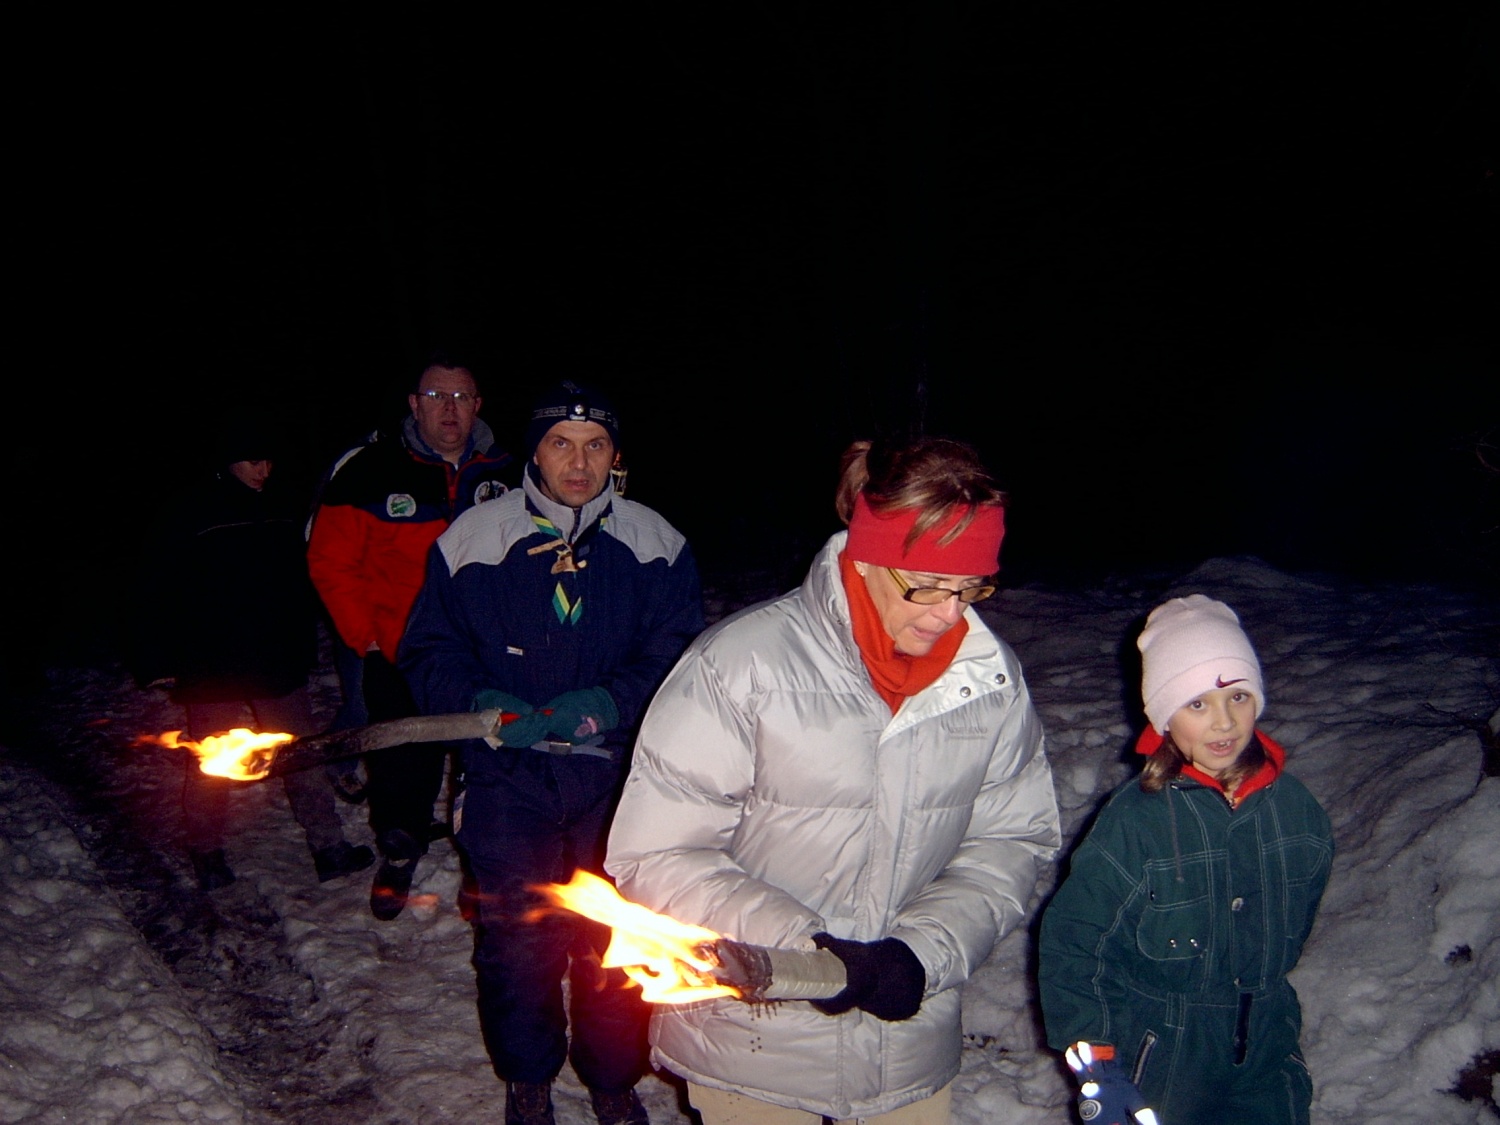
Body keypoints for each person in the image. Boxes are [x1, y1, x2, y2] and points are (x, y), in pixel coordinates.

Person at [604, 436, 1062, 1125]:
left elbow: (1013, 840)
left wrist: (921, 953)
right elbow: (657, 853)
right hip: (754, 1037)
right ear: (865, 554)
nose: (951, 613)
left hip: (905, 1042)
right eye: (929, 585)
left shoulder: (987, 682)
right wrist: (813, 954)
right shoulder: (741, 666)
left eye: (971, 587)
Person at [399, 379, 704, 1125]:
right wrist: (479, 703)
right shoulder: (472, 538)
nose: (579, 462)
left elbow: (677, 653)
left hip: (616, 778)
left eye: (595, 445)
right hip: (507, 772)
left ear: (615, 454)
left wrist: (609, 702)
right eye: (562, 444)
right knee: (517, 939)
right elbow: (427, 649)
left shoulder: (655, 542)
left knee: (615, 937)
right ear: (534, 450)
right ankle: (527, 1076)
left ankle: (611, 1077)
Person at [1038, 595, 1334, 1125]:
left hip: (1266, 1053)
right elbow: (1077, 944)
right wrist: (1098, 1067)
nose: (1223, 723)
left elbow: (1297, 923)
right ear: (1163, 718)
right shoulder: (1137, 822)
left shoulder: (1296, 812)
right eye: (1197, 704)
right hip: (1164, 1058)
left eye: (1238, 697)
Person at [306, 353, 518, 920]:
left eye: (461, 398)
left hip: (486, 656)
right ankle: (398, 852)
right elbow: (329, 560)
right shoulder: (370, 470)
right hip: (399, 654)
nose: (449, 410)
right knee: (402, 764)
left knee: (488, 763)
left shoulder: (511, 471)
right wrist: (364, 636)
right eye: (435, 397)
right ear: (413, 405)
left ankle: (483, 870)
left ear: (478, 405)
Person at [130, 415, 374, 891]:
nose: (264, 469)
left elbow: (299, 584)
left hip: (274, 661)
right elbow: (153, 589)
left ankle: (328, 847)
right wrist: (155, 660)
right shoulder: (192, 513)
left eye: (268, 460)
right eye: (252, 460)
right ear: (228, 461)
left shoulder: (281, 509)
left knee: (300, 754)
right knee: (213, 761)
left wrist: (302, 642)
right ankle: (206, 851)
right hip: (211, 665)